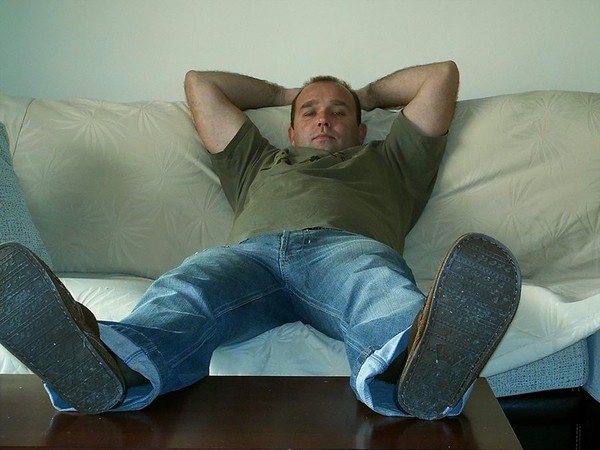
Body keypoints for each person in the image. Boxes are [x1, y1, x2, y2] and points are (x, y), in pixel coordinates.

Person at [0, 61, 521, 420]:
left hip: (344, 250)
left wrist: (363, 95)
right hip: (250, 258)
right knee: (187, 290)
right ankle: (111, 370)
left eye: (339, 112)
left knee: (375, 286)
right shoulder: (259, 160)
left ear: (363, 130)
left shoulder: (391, 160)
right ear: (290, 131)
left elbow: (441, 75)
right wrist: (282, 95)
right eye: (309, 111)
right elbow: (201, 82)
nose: (323, 117)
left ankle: (415, 373)